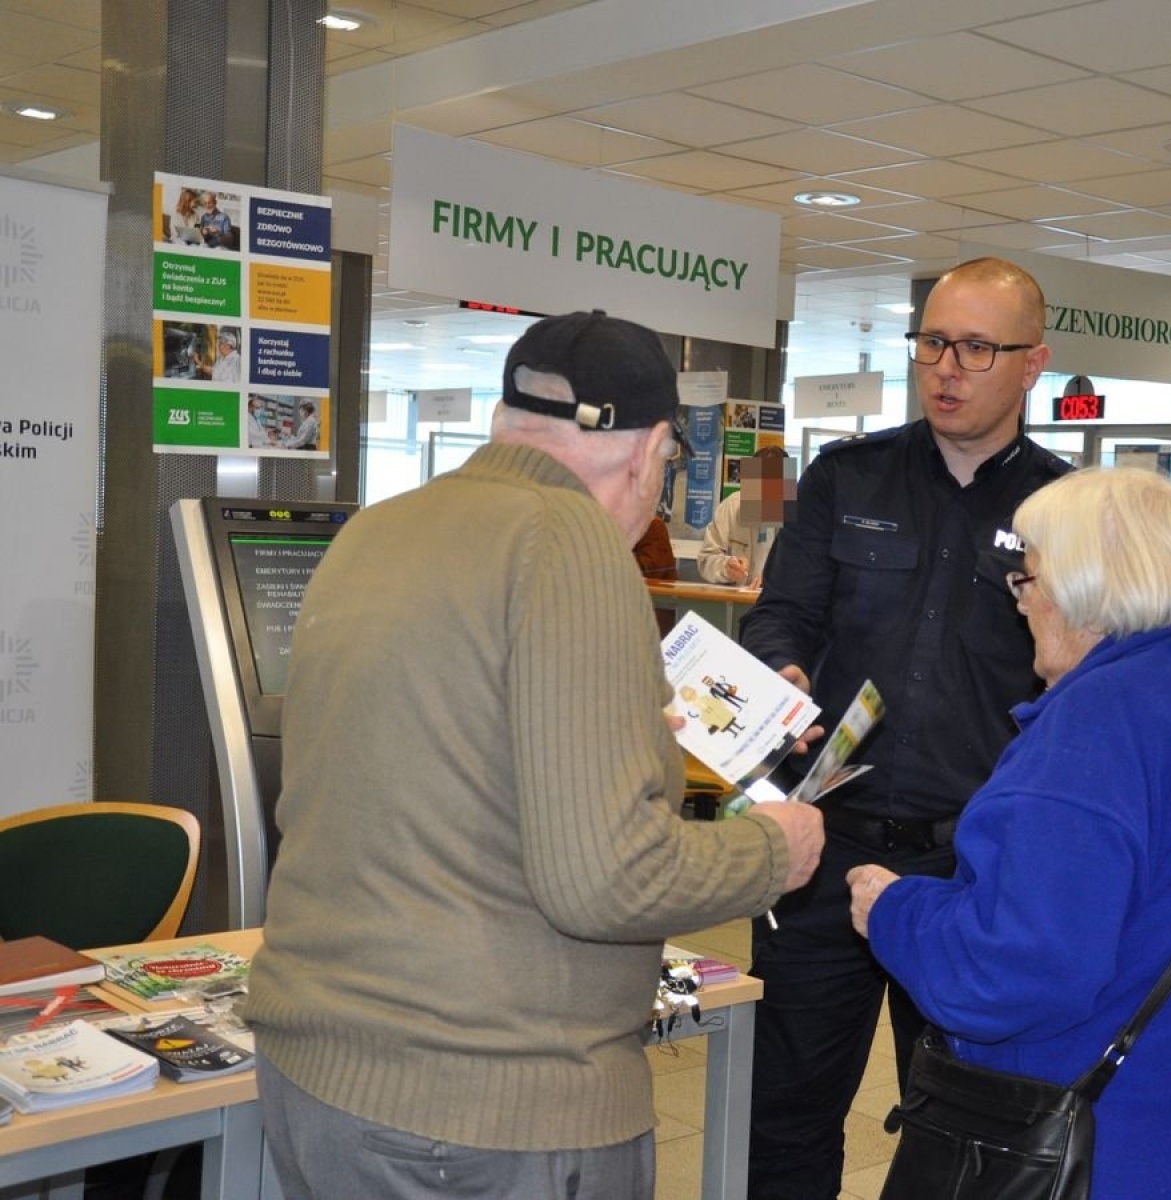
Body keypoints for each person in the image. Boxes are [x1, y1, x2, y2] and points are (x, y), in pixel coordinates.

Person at [245, 310, 825, 1200]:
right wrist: (773, 851)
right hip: (488, 1113)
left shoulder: (375, 529)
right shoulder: (572, 541)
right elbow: (607, 881)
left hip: (319, 1078)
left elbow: (420, 763)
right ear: (652, 449)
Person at [846, 467, 1171, 1199]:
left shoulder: (1092, 727)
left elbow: (1006, 976)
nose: (1021, 605)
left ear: (1082, 591)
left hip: (1118, 1152)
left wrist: (894, 910)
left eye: (1029, 580)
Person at [739, 256, 1069, 1198]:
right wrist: (783, 669)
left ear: (1032, 362)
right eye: (932, 342)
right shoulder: (848, 478)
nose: (946, 368)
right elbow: (781, 615)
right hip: (823, 852)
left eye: (976, 347)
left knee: (966, 1129)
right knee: (785, 1115)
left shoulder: (1065, 513)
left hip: (973, 872)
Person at [696, 445, 788, 586]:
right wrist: (726, 567)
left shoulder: (802, 516)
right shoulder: (731, 506)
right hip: (736, 601)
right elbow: (706, 560)